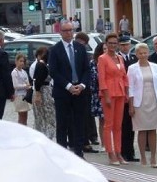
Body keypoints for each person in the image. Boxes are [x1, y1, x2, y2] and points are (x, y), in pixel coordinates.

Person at [48, 22, 91, 157]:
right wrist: (68, 86)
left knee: (79, 122)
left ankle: (78, 152)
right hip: (63, 92)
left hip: (79, 91)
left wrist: (82, 85)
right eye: (65, 30)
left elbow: (86, 70)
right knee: (63, 123)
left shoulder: (80, 48)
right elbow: (53, 71)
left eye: (70, 30)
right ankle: (62, 153)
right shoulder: (55, 50)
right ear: (60, 32)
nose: (68, 33)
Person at [127, 43, 157, 167]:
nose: (143, 55)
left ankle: (153, 158)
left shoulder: (155, 66)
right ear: (136, 54)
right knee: (142, 130)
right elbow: (130, 87)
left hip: (154, 100)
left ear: (148, 53)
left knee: (153, 129)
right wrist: (131, 105)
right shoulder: (132, 68)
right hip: (140, 101)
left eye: (145, 53)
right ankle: (143, 156)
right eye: (140, 53)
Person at [97, 32, 128, 165]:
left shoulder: (120, 58)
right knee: (108, 124)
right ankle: (110, 153)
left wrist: (126, 91)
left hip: (120, 92)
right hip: (109, 93)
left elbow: (124, 76)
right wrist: (106, 95)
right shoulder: (102, 58)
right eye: (110, 43)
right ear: (106, 44)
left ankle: (118, 152)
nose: (113, 45)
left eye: (115, 43)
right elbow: (101, 78)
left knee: (118, 125)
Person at [118, 38, 138, 162]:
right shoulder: (117, 58)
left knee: (131, 126)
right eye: (123, 45)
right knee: (122, 125)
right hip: (121, 94)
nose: (125, 47)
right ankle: (122, 151)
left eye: (127, 45)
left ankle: (130, 152)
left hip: (133, 95)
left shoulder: (134, 58)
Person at [31, 45, 56, 140]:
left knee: (42, 116)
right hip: (43, 91)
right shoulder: (41, 65)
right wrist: (38, 94)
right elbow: (37, 81)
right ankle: (46, 136)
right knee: (46, 115)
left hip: (44, 91)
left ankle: (44, 135)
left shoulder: (43, 64)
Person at [89, 41, 105, 150]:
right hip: (99, 94)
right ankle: (104, 143)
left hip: (112, 92)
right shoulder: (93, 63)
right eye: (104, 49)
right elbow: (92, 80)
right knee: (103, 120)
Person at [11, 52, 31, 125]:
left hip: (25, 95)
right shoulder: (14, 72)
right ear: (16, 61)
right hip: (19, 96)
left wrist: (27, 86)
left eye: (23, 61)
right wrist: (25, 86)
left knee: (25, 116)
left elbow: (27, 82)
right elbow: (15, 86)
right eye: (20, 61)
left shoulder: (24, 72)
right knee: (21, 116)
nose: (22, 63)